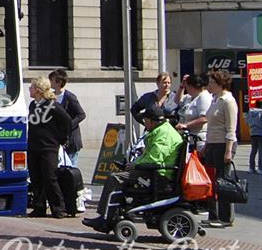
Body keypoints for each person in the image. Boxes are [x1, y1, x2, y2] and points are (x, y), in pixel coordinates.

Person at [82, 103, 185, 231]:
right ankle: (111, 214)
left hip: (158, 176)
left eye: (145, 121)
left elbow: (153, 159)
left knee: (114, 179)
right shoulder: (160, 131)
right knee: (120, 175)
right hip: (153, 172)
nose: (144, 124)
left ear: (151, 121)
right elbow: (149, 156)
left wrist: (134, 165)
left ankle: (105, 218)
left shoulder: (164, 135)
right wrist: (132, 164)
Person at [27, 76, 72, 219]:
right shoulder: (33, 105)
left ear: (39, 90)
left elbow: (67, 122)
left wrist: (61, 139)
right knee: (36, 178)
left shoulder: (52, 105)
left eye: (32, 87)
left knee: (50, 177)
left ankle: (58, 208)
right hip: (34, 146)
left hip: (49, 147)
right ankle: (39, 207)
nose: (29, 89)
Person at [202, 70, 238, 227]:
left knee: (223, 181)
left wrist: (228, 150)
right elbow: (210, 125)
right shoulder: (215, 99)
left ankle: (226, 217)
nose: (209, 85)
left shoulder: (228, 101)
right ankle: (213, 214)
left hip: (223, 144)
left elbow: (231, 128)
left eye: (212, 82)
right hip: (212, 143)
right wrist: (206, 146)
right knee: (211, 179)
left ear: (220, 84)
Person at [49, 69, 84, 166]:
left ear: (59, 82)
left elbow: (81, 114)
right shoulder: (51, 96)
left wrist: (69, 125)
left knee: (71, 166)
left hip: (71, 139)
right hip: (57, 138)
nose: (49, 82)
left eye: (51, 80)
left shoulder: (69, 97)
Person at [176, 73, 212, 153]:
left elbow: (204, 118)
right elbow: (177, 101)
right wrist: (182, 86)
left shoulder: (204, 97)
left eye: (187, 86)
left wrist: (186, 125)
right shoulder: (190, 97)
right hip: (189, 137)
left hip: (199, 138)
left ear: (191, 86)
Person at [245, 100, 262, 174]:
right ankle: (260, 168)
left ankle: (251, 168)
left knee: (253, 151)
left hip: (253, 133)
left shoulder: (250, 112)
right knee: (261, 151)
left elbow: (247, 121)